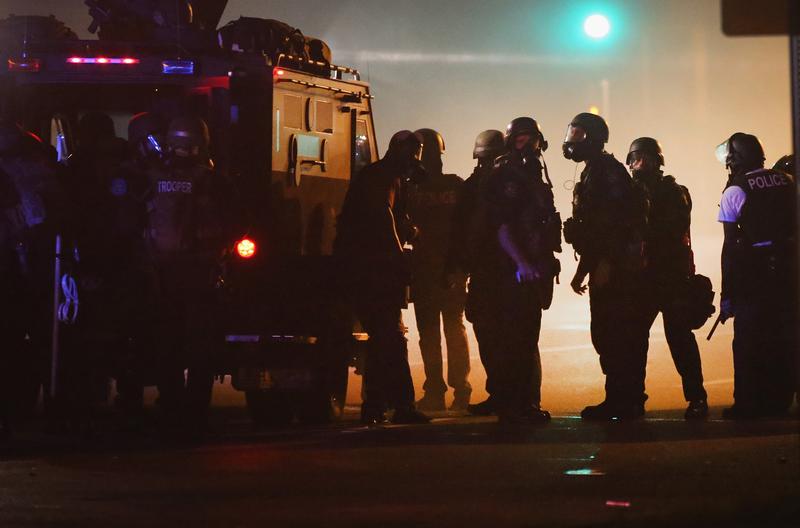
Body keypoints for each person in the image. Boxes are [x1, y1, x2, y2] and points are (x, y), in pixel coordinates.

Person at [335, 130, 430, 425]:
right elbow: (382, 218)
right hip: (374, 272)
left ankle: (380, 405)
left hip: (367, 271)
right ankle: (398, 405)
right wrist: (399, 256)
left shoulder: (383, 176)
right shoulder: (383, 178)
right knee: (389, 337)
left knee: (384, 339)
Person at [562, 112, 650, 420]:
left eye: (577, 133)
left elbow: (616, 225)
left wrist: (606, 264)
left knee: (615, 335)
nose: (571, 140)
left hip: (616, 271)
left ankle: (624, 400)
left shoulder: (607, 172)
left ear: (593, 137)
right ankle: (622, 398)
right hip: (603, 264)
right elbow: (595, 229)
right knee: (606, 334)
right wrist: (582, 270)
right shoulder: (593, 171)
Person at [146, 115, 225, 432]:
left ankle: (170, 404)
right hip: (201, 274)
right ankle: (195, 410)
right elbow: (235, 221)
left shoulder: (152, 176)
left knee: (168, 343)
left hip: (162, 274)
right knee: (200, 346)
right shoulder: (213, 180)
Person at [483, 116, 560, 424]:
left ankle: (524, 402)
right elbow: (502, 226)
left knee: (526, 338)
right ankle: (516, 404)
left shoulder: (534, 174)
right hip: (515, 272)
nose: (526, 144)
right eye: (519, 139)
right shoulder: (507, 176)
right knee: (516, 339)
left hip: (533, 269)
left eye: (531, 138)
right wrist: (522, 262)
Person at [626, 137, 708, 419]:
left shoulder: (673, 192)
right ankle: (635, 398)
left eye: (645, 159)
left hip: (668, 276)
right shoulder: (635, 192)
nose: (641, 164)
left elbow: (668, 232)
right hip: (647, 277)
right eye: (638, 159)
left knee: (679, 338)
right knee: (636, 339)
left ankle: (697, 397)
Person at [716, 133, 796, 419]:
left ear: (735, 159)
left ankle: (747, 403)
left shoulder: (735, 190)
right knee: (784, 336)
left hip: (754, 277)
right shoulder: (787, 180)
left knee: (748, 342)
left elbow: (730, 247)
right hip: (788, 272)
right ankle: (783, 399)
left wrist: (727, 296)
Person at [0, 119, 64, 437]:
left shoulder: (17, 175)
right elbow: (38, 220)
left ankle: (16, 409)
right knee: (25, 340)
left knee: (14, 341)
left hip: (17, 270)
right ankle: (24, 407)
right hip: (25, 270)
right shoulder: (31, 172)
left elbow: (33, 220)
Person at [407, 128, 471, 412]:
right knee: (452, 330)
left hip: (430, 270)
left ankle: (437, 390)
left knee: (432, 333)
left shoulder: (411, 188)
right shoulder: (456, 185)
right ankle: (459, 390)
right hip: (448, 269)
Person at [445, 130, 506, 416]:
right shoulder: (473, 188)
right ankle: (501, 393)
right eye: (483, 161)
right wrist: (460, 266)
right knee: (486, 331)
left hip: (506, 271)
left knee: (514, 337)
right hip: (483, 270)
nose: (486, 166)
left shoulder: (512, 185)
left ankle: (519, 397)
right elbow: (461, 231)